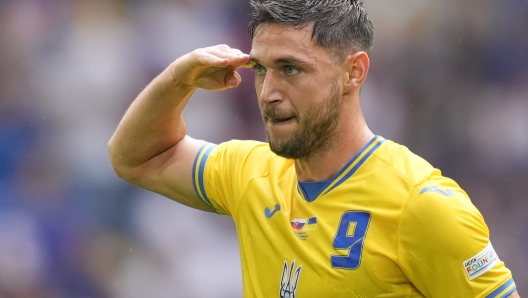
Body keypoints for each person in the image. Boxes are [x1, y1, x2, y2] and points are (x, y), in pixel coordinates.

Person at [108, 0, 519, 297]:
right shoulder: (249, 173)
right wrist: (179, 78)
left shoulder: (423, 206)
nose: (268, 93)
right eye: (260, 70)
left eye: (290, 69)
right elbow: (136, 156)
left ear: (352, 72)